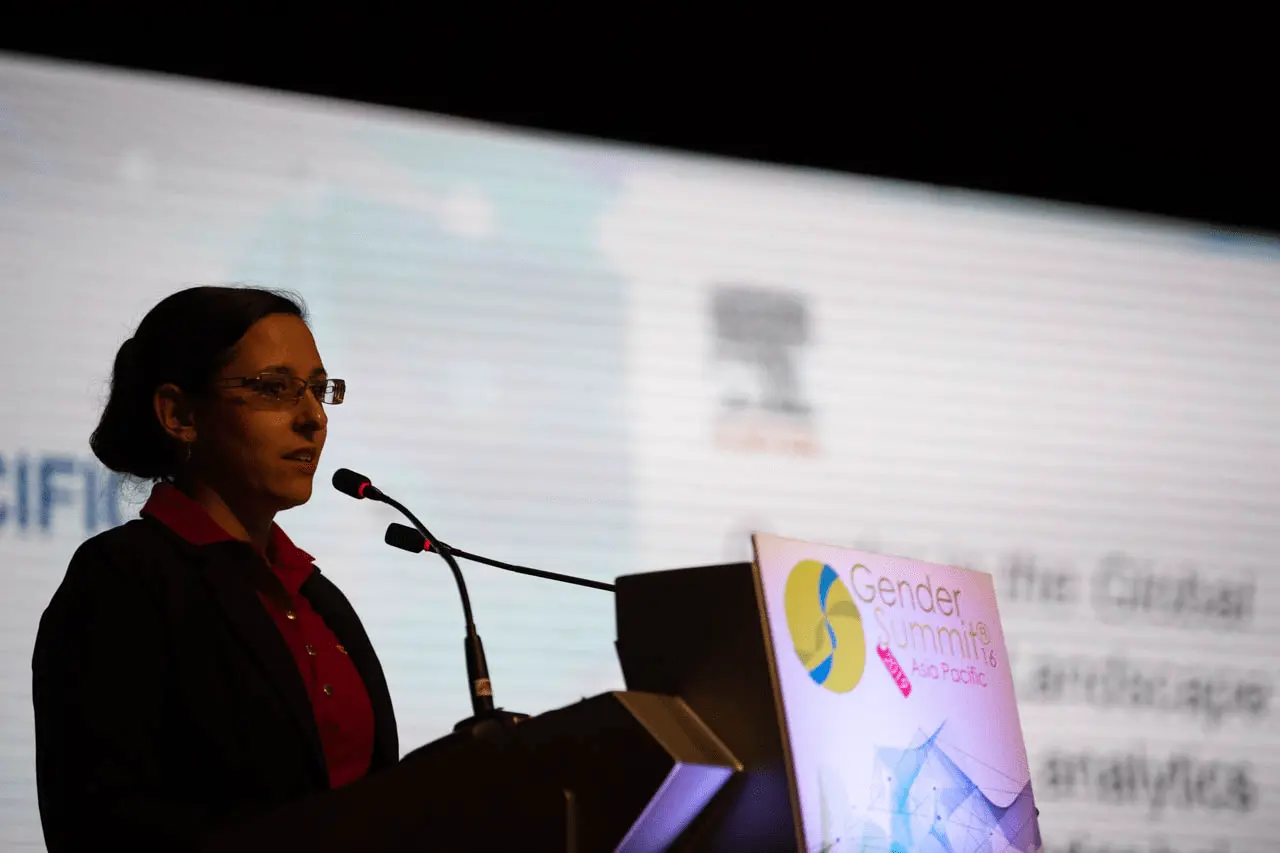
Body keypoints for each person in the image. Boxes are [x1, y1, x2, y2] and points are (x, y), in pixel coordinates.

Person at [31, 286, 400, 852]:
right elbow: (100, 821)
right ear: (179, 414)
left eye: (318, 389)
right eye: (275, 388)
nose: (314, 418)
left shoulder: (315, 596)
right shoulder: (120, 580)